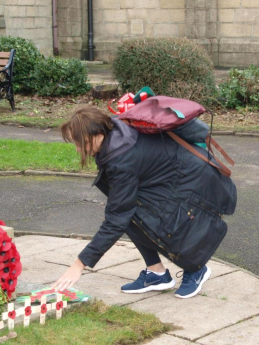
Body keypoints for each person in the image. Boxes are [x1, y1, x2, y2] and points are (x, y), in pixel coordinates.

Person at [52, 106, 237, 299]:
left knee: (166, 222)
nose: (78, 149)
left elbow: (116, 219)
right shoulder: (114, 132)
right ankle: (157, 273)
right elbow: (122, 212)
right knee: (131, 215)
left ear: (98, 134)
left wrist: (79, 264)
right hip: (172, 173)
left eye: (81, 143)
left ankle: (195, 268)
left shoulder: (122, 158)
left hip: (192, 177)